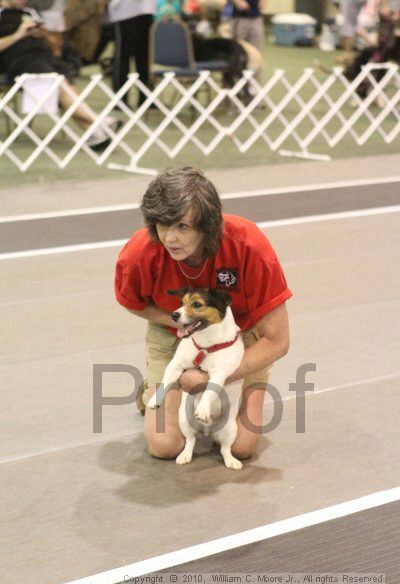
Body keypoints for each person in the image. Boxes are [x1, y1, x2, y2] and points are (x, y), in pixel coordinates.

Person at [115, 167, 291, 461]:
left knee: (242, 447)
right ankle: (154, 389)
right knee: (164, 445)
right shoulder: (140, 254)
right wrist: (183, 326)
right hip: (177, 331)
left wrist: (211, 378)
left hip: (240, 337)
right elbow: (132, 301)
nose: (170, 237)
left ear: (207, 225)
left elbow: (277, 341)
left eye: (183, 226)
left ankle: (213, 388)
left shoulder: (248, 246)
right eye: (162, 224)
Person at [0, 0, 119, 149]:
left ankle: (92, 131)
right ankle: (96, 121)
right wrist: (18, 35)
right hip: (19, 62)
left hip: (43, 56)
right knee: (56, 80)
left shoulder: (30, 13)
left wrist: (43, 34)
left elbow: (55, 48)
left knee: (64, 75)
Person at [108, 0, 155, 108]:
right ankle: (120, 99)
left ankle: (145, 97)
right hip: (124, 13)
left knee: (144, 58)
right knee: (122, 57)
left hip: (146, 11)